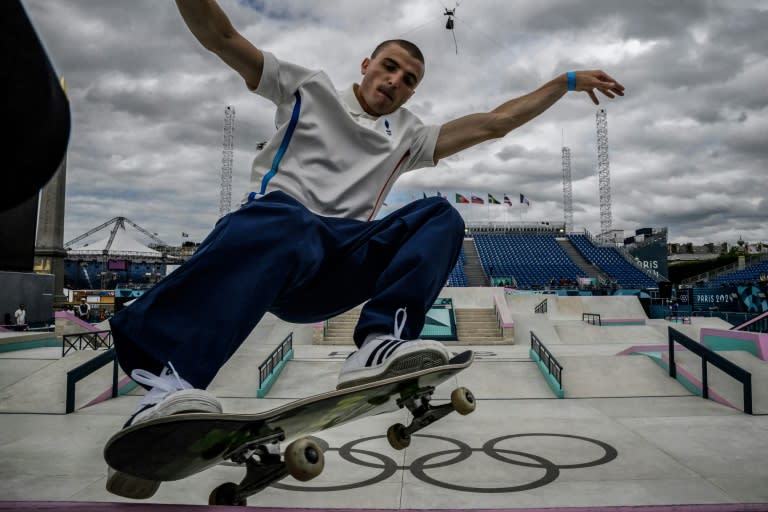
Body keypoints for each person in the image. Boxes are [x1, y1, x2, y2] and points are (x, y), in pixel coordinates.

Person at [106, 0, 624, 499]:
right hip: (275, 245)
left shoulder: (410, 135)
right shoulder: (306, 87)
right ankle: (168, 389)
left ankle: (378, 343)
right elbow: (220, 36)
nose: (395, 82)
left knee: (440, 216)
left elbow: (496, 122)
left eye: (409, 80)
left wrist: (567, 81)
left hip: (340, 265)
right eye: (389, 67)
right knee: (286, 217)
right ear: (366, 65)